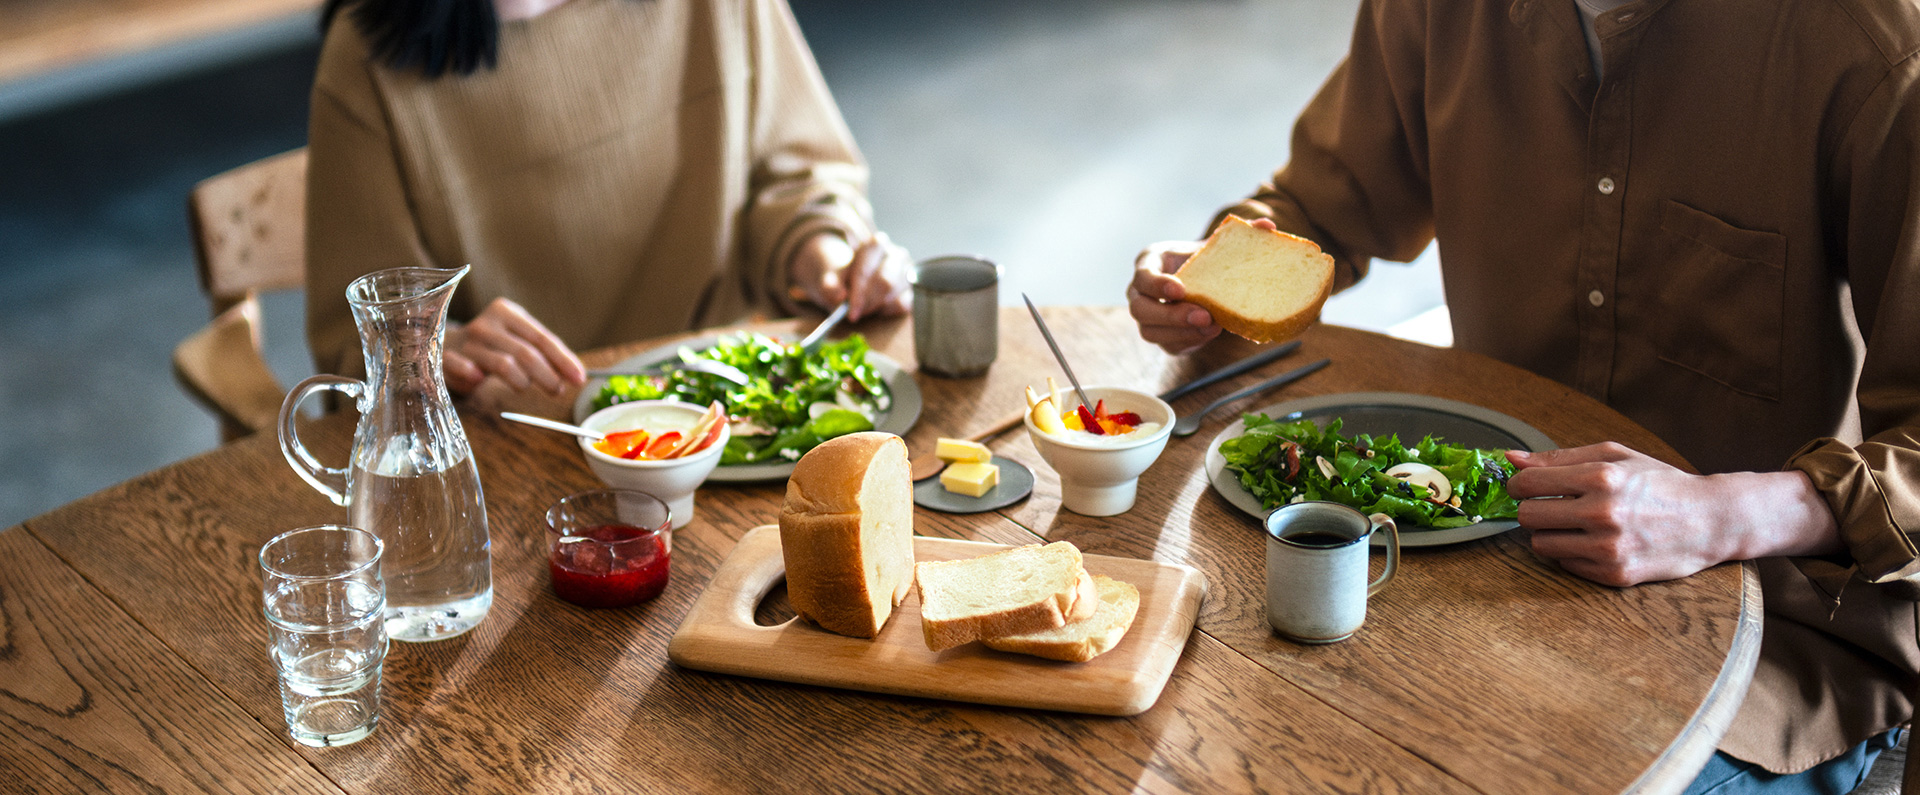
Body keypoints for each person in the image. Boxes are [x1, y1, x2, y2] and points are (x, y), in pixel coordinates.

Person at [1129, 0, 1920, 790]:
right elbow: (1317, 211)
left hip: (1772, 630)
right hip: (1475, 568)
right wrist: (1209, 275)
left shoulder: (1872, 44)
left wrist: (1717, 512)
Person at [305, 0, 910, 410]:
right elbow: (356, 339)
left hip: (734, 411)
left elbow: (796, 179)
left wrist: (825, 256)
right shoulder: (366, 60)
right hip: (516, 452)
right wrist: (435, 350)